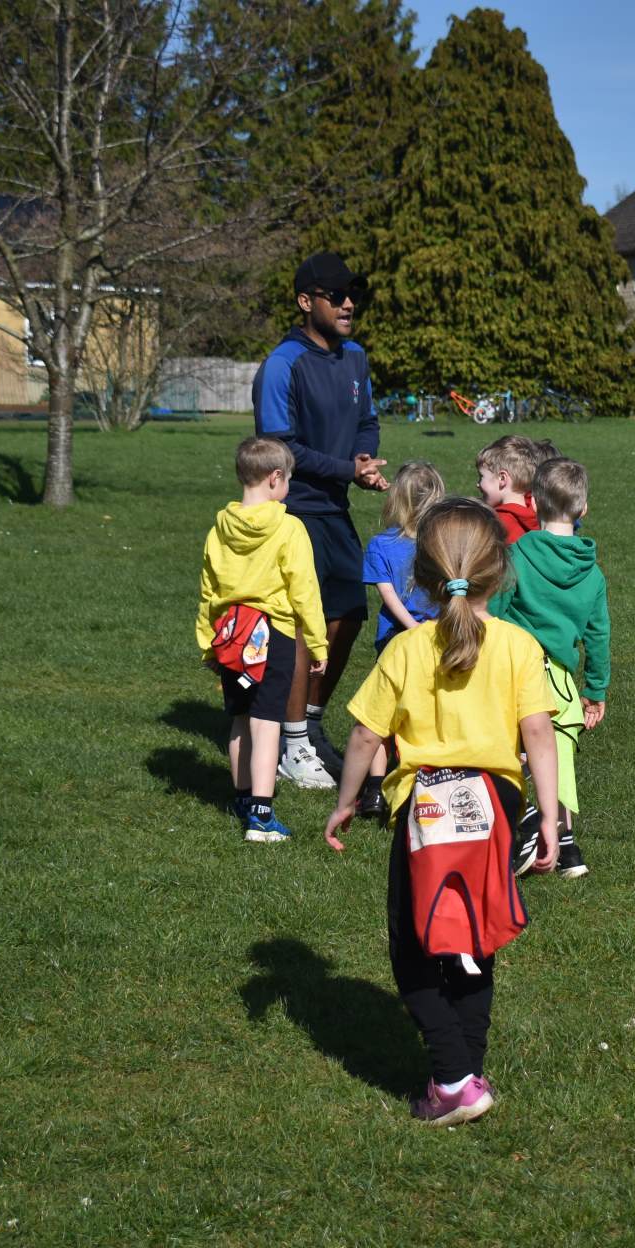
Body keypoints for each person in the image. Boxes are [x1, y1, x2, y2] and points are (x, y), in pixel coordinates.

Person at [324, 498, 561, 1127]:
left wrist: (346, 802)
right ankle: (465, 1071)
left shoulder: (407, 649)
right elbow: (538, 733)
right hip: (495, 807)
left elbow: (365, 736)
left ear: (421, 576)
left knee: (414, 942)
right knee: (476, 935)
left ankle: (454, 1079)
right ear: (499, 572)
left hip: (425, 807)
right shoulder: (518, 645)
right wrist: (549, 816)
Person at [253, 251, 389, 790]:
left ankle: (308, 724)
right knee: (302, 625)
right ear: (306, 302)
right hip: (292, 510)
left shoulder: (354, 357)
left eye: (353, 294)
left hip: (334, 506)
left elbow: (367, 421)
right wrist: (345, 470)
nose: (349, 303)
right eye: (336, 296)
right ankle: (291, 744)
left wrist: (363, 461)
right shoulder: (283, 363)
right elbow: (278, 446)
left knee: (349, 612)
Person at [194, 437, 327, 842]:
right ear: (275, 478)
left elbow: (208, 590)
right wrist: (318, 642)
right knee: (267, 722)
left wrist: (208, 642)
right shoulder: (289, 527)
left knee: (240, 718)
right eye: (288, 480)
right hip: (273, 635)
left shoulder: (219, 529)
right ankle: (261, 816)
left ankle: (242, 797)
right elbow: (304, 589)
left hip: (232, 634)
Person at [493, 457, 611, 878]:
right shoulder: (592, 574)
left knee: (512, 753)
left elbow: (495, 611)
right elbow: (598, 636)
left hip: (514, 671)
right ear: (583, 509)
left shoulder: (517, 555)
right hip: (560, 682)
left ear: (534, 503)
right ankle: (566, 845)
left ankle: (521, 827)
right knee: (557, 759)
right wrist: (595, 690)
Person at [357, 460, 447, 823]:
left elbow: (387, 595)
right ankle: (421, 781)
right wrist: (429, 628)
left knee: (383, 714)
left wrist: (409, 626)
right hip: (437, 638)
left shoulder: (381, 544)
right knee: (426, 711)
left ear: (397, 499)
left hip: (395, 638)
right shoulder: (443, 543)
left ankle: (374, 790)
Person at [476, 435, 542, 543]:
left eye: (481, 477)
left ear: (502, 478)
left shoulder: (500, 523)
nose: (477, 484)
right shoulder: (538, 513)